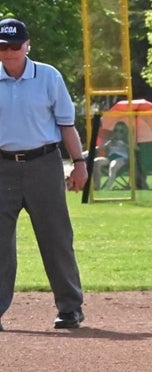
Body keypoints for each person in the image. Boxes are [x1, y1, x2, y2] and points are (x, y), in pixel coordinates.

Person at [0, 17, 86, 330]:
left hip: (44, 164)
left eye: (15, 45)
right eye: (2, 46)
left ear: (27, 46)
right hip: (2, 168)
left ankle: (70, 308)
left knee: (56, 238)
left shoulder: (48, 76)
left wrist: (79, 163)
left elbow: (66, 124)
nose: (8, 51)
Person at [90, 121, 131, 190]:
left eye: (121, 131)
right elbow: (102, 148)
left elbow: (137, 149)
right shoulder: (111, 141)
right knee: (96, 161)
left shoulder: (128, 141)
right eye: (116, 130)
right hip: (109, 158)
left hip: (121, 158)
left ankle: (107, 188)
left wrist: (125, 145)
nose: (118, 133)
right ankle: (97, 186)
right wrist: (92, 149)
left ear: (125, 132)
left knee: (113, 165)